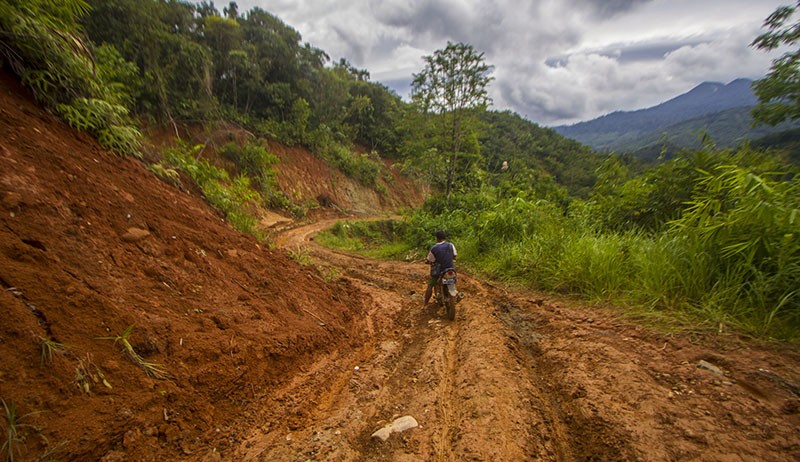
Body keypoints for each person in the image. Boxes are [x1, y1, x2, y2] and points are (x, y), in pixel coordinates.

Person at [424, 230, 457, 307]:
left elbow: (429, 260)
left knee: (430, 285)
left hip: (439, 271)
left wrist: (428, 262)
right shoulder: (451, 245)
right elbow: (454, 255)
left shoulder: (434, 248)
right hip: (450, 269)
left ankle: (425, 304)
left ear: (437, 238)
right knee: (453, 281)